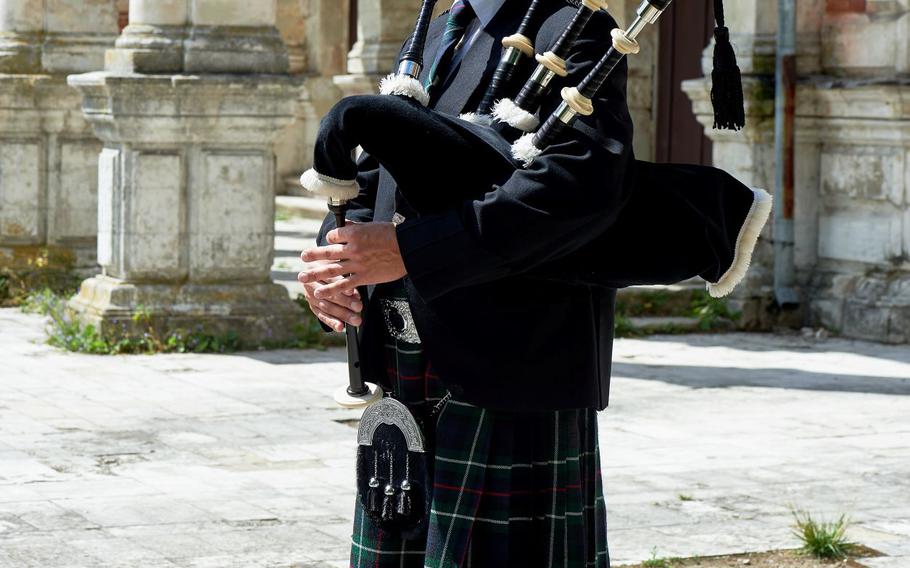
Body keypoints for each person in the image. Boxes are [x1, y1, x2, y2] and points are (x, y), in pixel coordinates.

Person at [299, 0, 634, 565]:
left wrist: (410, 251)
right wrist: (337, 256)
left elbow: (579, 188)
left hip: (507, 368)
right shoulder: (439, 33)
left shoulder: (575, 29)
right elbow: (381, 171)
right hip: (411, 373)